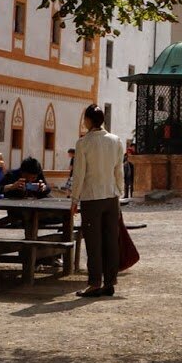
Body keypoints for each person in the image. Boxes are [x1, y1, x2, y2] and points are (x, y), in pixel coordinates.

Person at [71, 103, 126, 298]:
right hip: (111, 196)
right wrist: (119, 191)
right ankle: (110, 282)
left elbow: (79, 174)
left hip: (91, 197)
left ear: (88, 120)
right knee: (111, 240)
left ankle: (95, 282)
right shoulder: (116, 140)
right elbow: (119, 170)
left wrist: (74, 199)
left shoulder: (84, 143)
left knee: (94, 242)